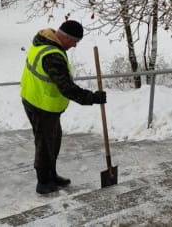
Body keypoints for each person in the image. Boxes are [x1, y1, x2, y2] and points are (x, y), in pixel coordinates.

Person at [20, 19, 107, 194]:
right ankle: (43, 182)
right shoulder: (51, 55)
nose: (74, 46)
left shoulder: (45, 43)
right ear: (66, 38)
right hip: (41, 105)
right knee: (45, 144)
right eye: (74, 41)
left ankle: (51, 174)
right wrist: (92, 98)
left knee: (53, 140)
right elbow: (66, 87)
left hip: (39, 100)